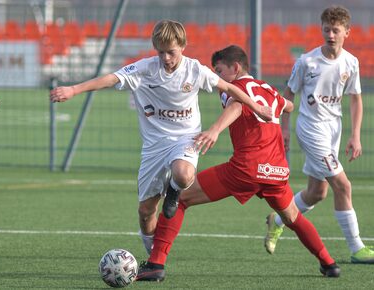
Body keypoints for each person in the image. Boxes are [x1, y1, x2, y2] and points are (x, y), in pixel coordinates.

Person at [50, 20, 272, 255]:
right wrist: (74, 89)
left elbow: (230, 89)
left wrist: (256, 108)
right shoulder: (145, 69)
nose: (166, 58)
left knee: (184, 174)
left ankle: (174, 191)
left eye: (171, 52)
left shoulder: (195, 69)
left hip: (185, 138)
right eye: (161, 52)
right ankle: (152, 257)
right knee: (146, 212)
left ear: (183, 47)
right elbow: (111, 79)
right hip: (154, 146)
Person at [136, 45, 340, 282]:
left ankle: (156, 264)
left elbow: (237, 104)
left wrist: (214, 130)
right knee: (292, 217)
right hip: (276, 170)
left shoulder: (235, 89)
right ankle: (329, 263)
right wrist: (280, 110)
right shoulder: (268, 90)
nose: (218, 77)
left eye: (220, 70)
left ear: (235, 67)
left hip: (246, 169)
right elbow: (290, 105)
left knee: (180, 197)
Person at [264, 5, 374, 264]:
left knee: (317, 192)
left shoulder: (351, 62)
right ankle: (356, 247)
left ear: (347, 32)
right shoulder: (307, 61)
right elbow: (288, 95)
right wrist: (284, 129)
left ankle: (277, 220)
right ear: (322, 30)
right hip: (310, 129)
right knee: (343, 185)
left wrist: (355, 135)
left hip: (332, 129)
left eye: (336, 30)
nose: (331, 35)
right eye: (327, 29)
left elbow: (356, 99)